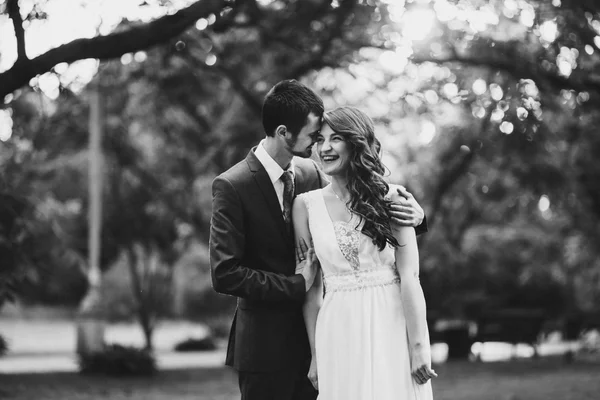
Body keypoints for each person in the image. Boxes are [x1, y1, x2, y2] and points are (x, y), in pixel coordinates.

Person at [209, 80, 426, 400]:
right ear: (284, 133)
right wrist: (296, 284)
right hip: (266, 347)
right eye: (314, 135)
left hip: (327, 335)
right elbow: (225, 272)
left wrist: (417, 218)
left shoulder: (311, 172)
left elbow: (356, 208)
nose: (319, 144)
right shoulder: (232, 185)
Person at [292, 106, 437, 400]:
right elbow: (311, 287)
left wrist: (419, 346)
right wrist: (316, 354)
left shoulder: (394, 198)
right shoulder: (304, 206)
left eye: (336, 139)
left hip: (391, 322)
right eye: (320, 140)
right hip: (338, 327)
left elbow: (411, 276)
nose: (325, 148)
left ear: (356, 143)